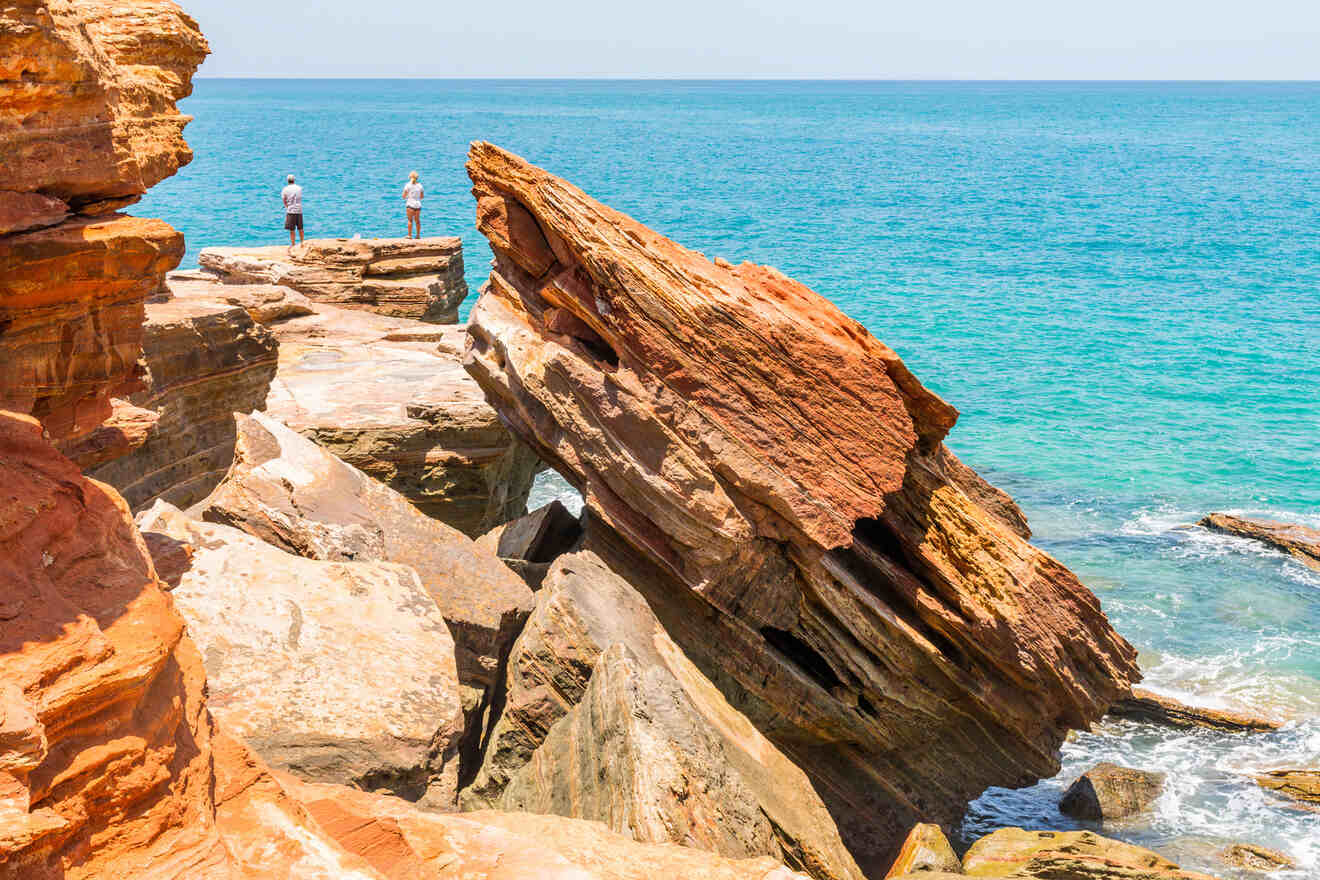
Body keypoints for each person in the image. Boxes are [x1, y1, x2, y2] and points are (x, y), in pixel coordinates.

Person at [282, 174, 304, 246]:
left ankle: (293, 244)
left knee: (292, 230)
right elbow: (300, 198)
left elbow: (284, 200)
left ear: (287, 180)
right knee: (300, 228)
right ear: (294, 180)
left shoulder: (285, 189)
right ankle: (302, 243)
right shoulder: (299, 188)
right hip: (299, 210)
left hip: (290, 210)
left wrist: (286, 207)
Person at [402, 171, 424, 239]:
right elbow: (422, 196)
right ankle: (418, 235)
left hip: (410, 204)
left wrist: (408, 196)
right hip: (418, 204)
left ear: (410, 177)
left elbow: (403, 196)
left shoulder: (408, 185)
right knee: (417, 220)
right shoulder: (420, 185)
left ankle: (409, 235)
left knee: (410, 220)